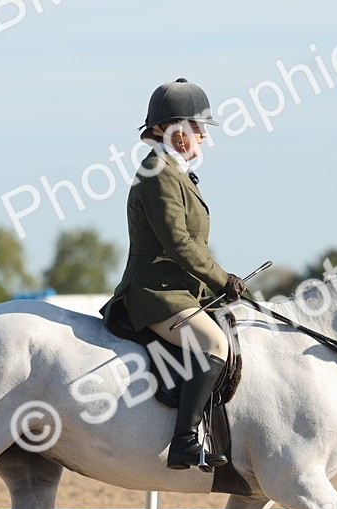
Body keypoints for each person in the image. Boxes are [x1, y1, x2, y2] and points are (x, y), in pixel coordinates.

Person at [102, 78, 248, 470]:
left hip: (180, 289)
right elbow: (179, 244)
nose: (202, 136)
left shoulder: (175, 172)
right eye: (198, 127)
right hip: (155, 292)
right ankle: (184, 442)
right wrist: (222, 279)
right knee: (214, 343)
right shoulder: (157, 173)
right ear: (177, 132)